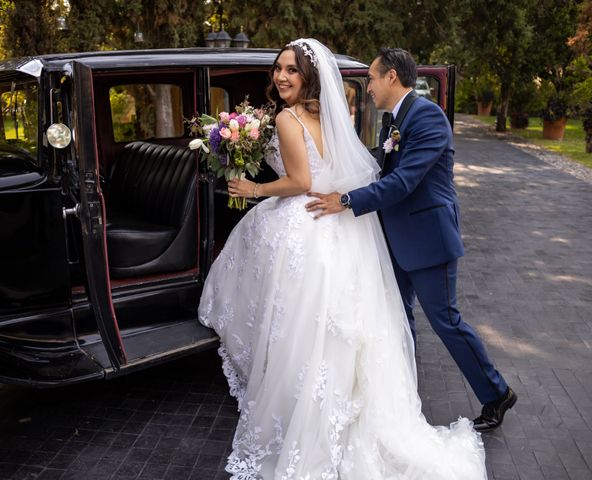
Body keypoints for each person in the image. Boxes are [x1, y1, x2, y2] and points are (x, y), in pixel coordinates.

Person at [199, 39, 487, 479]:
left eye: (291, 70)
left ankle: (304, 411)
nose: (281, 76)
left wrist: (254, 189)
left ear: (308, 76)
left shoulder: (288, 116)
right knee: (343, 326)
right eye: (278, 69)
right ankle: (352, 405)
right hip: (338, 223)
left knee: (304, 323)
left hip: (316, 218)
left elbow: (301, 179)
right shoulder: (325, 113)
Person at [305, 47, 517, 433]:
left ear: (391, 77)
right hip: (395, 239)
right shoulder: (393, 121)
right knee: (398, 320)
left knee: (446, 321)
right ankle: (402, 398)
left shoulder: (428, 119)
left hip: (427, 239)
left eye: (370, 78)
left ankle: (496, 393)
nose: (367, 87)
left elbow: (403, 183)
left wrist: (348, 201)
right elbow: (381, 165)